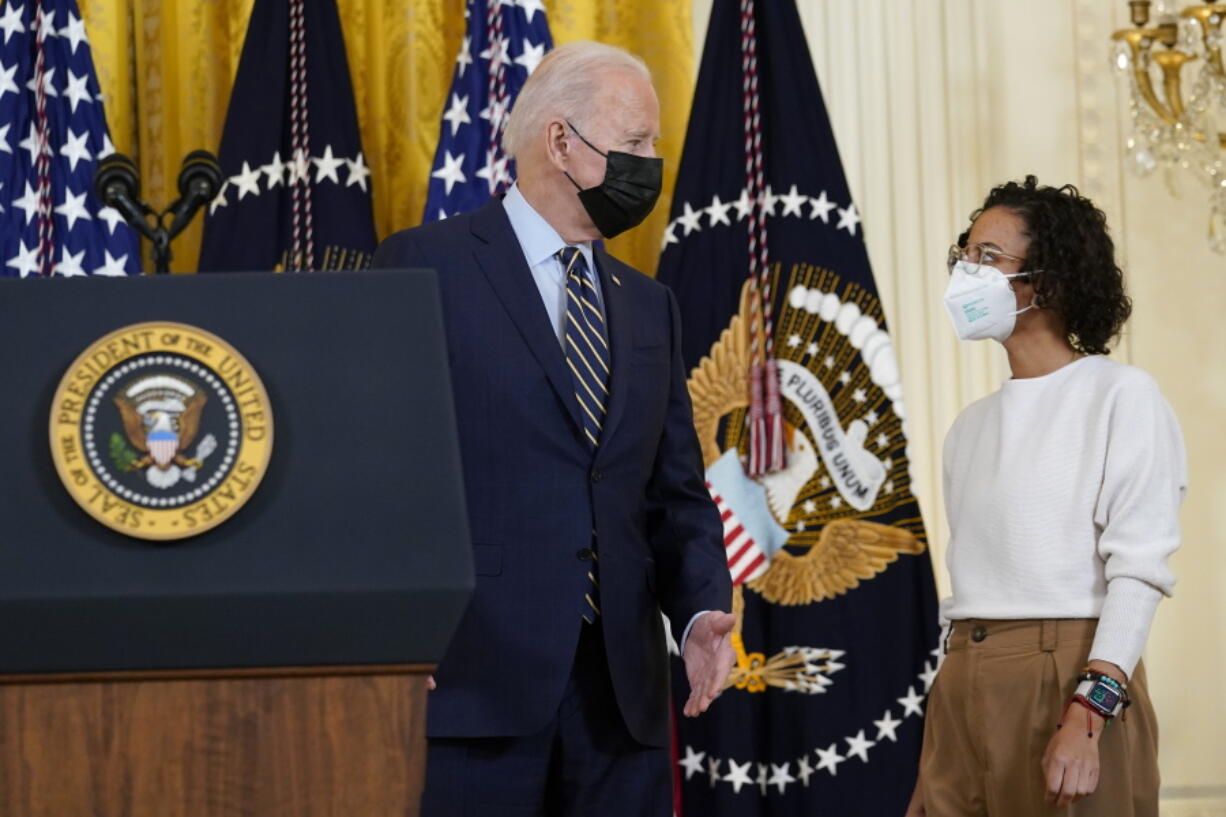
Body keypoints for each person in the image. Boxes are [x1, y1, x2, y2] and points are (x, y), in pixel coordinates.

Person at [372, 41, 735, 817]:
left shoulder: (648, 305)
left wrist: (703, 611)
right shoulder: (422, 269)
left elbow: (673, 489)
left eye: (653, 144)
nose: (650, 161)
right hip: (473, 684)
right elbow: (379, 471)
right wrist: (393, 627)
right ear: (560, 140)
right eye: (635, 142)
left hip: (620, 702)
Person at [905, 176, 1186, 816]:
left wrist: (1090, 714)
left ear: (1047, 280)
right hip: (963, 675)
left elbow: (1139, 570)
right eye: (963, 255)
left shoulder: (1122, 396)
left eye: (987, 257)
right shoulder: (967, 429)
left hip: (1070, 676)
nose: (965, 273)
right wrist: (937, 754)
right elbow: (971, 590)